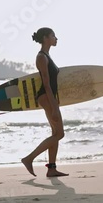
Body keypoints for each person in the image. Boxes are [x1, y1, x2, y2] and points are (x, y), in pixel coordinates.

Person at [22, 27, 68, 177]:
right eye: (53, 36)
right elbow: (46, 84)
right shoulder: (41, 57)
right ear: (46, 38)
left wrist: (56, 100)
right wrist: (54, 106)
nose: (56, 38)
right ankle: (29, 158)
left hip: (50, 97)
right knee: (60, 134)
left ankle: (52, 168)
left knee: (55, 133)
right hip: (46, 97)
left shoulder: (47, 55)